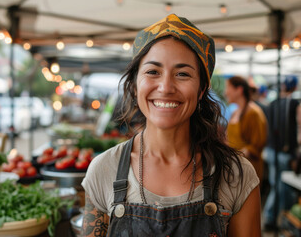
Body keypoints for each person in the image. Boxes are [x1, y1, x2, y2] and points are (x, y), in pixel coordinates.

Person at [81, 14, 261, 237]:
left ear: (202, 89)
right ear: (135, 85)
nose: (166, 87)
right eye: (153, 72)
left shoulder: (236, 175)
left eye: (182, 74)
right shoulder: (104, 170)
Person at [263, 75, 301, 231]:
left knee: (276, 186)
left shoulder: (272, 104)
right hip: (284, 153)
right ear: (294, 87)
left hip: (271, 150)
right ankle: (271, 218)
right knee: (280, 188)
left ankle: (271, 218)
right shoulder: (293, 104)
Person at [224, 76, 268, 184]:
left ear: (239, 90)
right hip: (233, 169)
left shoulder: (254, 113)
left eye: (228, 87)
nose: (226, 92)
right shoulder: (235, 112)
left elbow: (257, 144)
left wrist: (237, 156)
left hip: (248, 170)